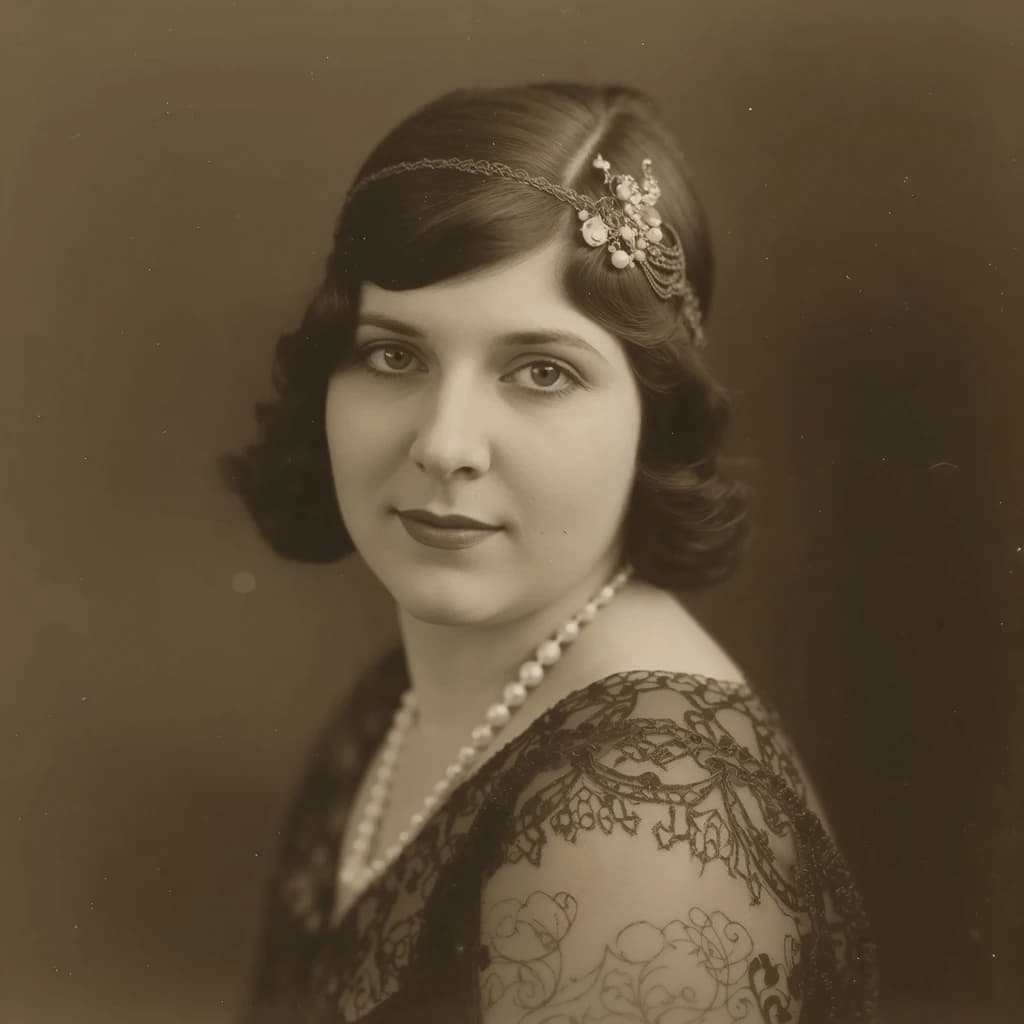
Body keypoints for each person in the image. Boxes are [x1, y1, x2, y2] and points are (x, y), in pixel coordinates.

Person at [220, 82, 879, 1023]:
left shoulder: (644, 823)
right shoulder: (401, 704)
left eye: (541, 371)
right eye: (393, 356)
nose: (445, 445)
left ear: (654, 414)